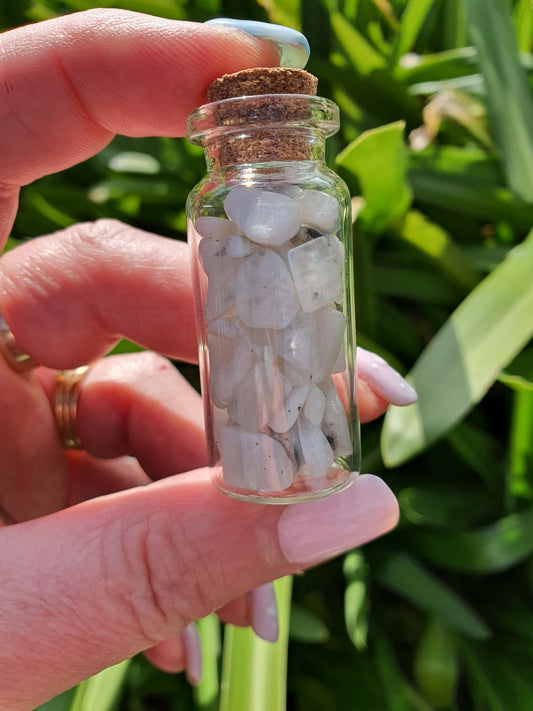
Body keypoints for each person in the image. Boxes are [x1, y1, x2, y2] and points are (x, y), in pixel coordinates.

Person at [0, 9, 416, 709]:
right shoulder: (223, 200)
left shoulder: (313, 195)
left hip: (288, 429)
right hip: (252, 448)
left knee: (302, 394)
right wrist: (157, 575)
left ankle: (305, 455)